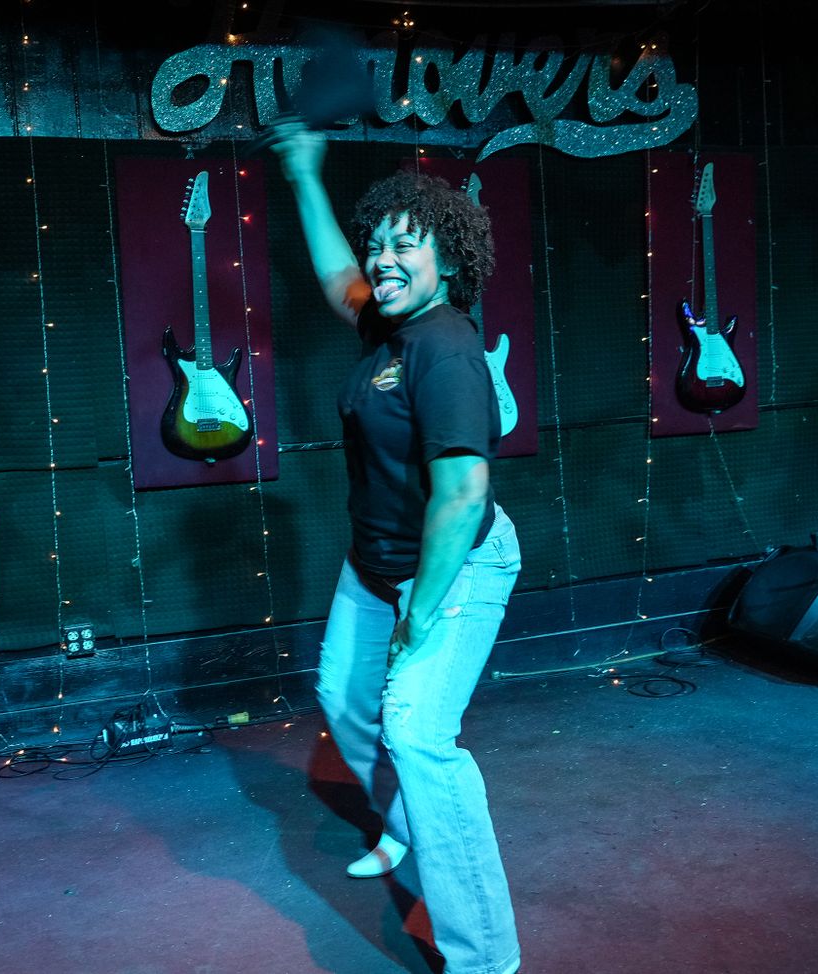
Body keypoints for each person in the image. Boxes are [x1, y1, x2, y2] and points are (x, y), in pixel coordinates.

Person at [269, 119, 524, 974]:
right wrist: (306, 175)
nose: (381, 259)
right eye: (378, 243)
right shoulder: (386, 327)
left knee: (416, 734)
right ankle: (409, 822)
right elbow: (336, 275)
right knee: (344, 703)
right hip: (375, 565)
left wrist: (419, 612)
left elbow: (462, 495)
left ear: (447, 263)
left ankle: (484, 956)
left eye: (404, 246)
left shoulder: (446, 350)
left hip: (453, 565)